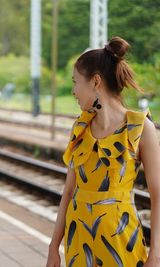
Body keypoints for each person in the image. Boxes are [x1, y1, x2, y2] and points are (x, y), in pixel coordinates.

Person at [46, 36, 160, 267]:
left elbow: (158, 195)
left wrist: (155, 254)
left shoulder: (140, 128)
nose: (74, 91)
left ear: (95, 82)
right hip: (78, 240)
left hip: (121, 241)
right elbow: (68, 192)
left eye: (76, 82)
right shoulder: (80, 128)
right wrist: (53, 247)